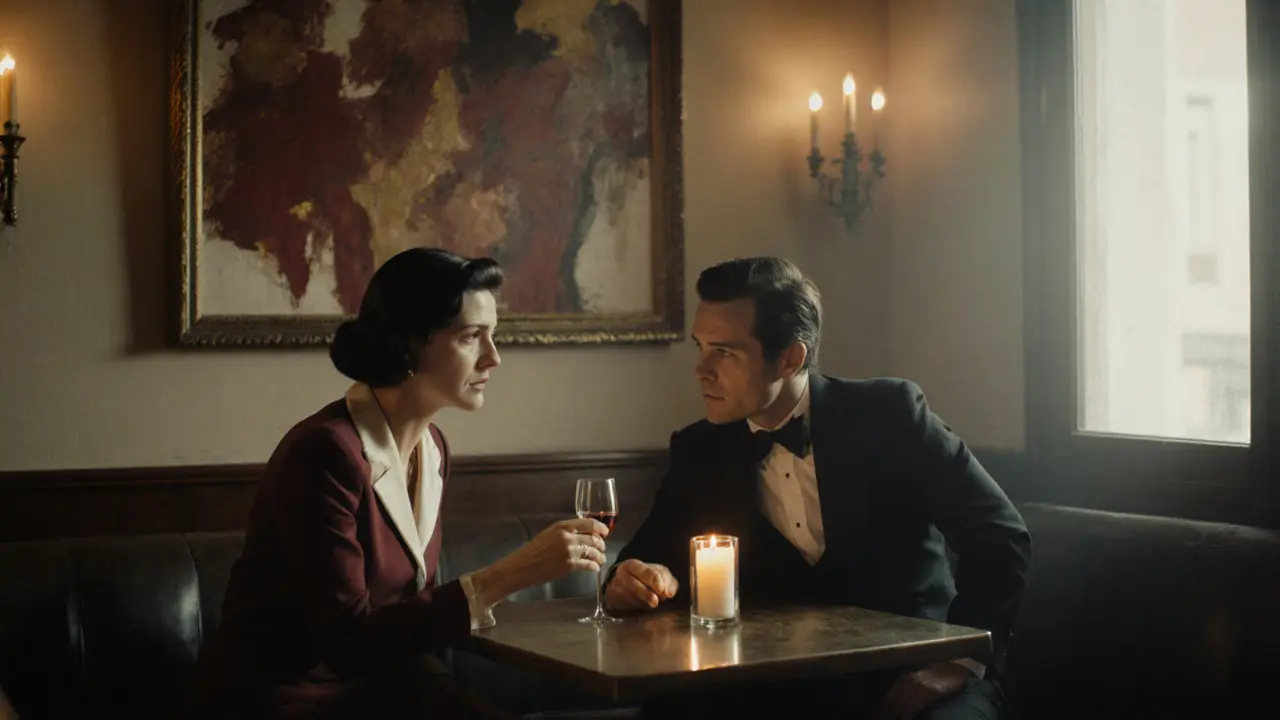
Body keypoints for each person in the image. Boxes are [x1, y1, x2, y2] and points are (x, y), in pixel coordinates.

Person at [183, 248, 610, 720]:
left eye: (493, 335)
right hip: (286, 700)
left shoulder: (433, 449)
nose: (493, 358)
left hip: (379, 693)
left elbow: (411, 619)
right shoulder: (325, 452)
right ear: (408, 344)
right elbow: (348, 641)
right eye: (471, 337)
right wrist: (512, 573)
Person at [603, 257, 1031, 719]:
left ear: (791, 358)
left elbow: (999, 534)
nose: (700, 370)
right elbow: (642, 561)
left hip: (916, 673)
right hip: (780, 687)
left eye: (724, 352)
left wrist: (960, 661)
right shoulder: (700, 449)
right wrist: (627, 582)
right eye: (700, 347)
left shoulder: (890, 415)